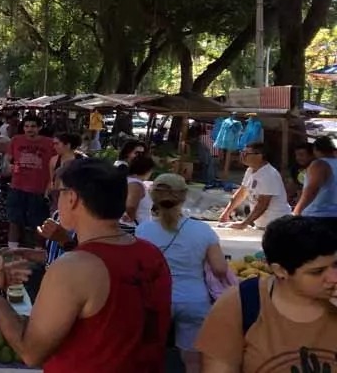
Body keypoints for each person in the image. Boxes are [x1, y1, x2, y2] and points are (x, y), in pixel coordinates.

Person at [0, 158, 171, 371]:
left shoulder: (73, 267)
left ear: (72, 197)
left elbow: (31, 352)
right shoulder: (151, 253)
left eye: (58, 193)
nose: (55, 202)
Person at [195, 215, 337, 372]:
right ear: (280, 271)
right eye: (317, 272)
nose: (334, 278)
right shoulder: (241, 304)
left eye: (336, 265)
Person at [136, 173, 229, 373]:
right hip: (195, 300)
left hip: (157, 300)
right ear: (184, 196)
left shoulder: (142, 231)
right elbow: (220, 268)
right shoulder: (203, 230)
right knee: (193, 361)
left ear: (153, 197)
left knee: (151, 355)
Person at [5, 114, 55, 248]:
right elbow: (8, 159)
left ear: (40, 127)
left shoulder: (50, 143)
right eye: (26, 126)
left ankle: (38, 252)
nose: (29, 129)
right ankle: (12, 251)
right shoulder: (16, 140)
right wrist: (7, 165)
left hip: (39, 189)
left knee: (39, 223)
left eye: (33, 126)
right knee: (14, 221)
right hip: (17, 186)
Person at [218, 142, 291, 229]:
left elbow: (262, 204)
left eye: (246, 153)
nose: (242, 156)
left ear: (259, 156)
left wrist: (244, 224)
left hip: (277, 225)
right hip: (262, 224)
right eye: (242, 152)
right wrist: (226, 213)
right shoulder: (250, 170)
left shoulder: (269, 174)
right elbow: (241, 193)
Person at [293, 136, 337, 222]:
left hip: (317, 215)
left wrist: (297, 210)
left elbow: (312, 189)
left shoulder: (319, 164)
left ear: (315, 150)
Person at [124, 155, 155, 226]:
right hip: (135, 227)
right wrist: (131, 218)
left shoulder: (126, 181)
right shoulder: (136, 185)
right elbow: (130, 206)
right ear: (147, 170)